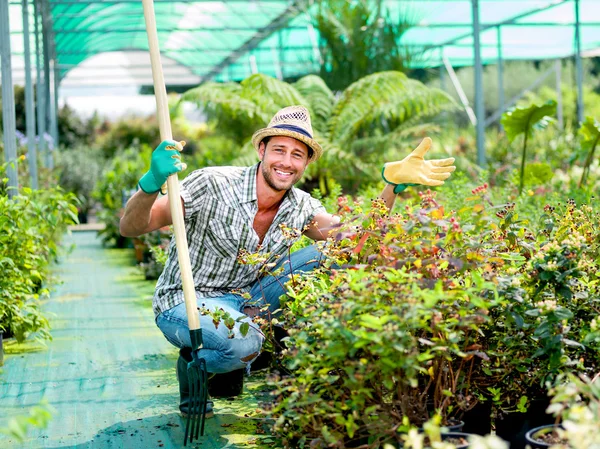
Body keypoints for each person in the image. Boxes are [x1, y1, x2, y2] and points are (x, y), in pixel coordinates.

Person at [119, 105, 455, 418]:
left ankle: (216, 357)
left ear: (306, 163)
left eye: (297, 154)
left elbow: (356, 248)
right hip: (185, 301)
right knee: (247, 344)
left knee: (330, 255)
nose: (287, 162)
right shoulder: (213, 183)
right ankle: (201, 359)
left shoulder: (301, 207)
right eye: (279, 150)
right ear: (261, 150)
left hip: (246, 299)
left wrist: (391, 187)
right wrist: (151, 183)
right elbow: (131, 226)